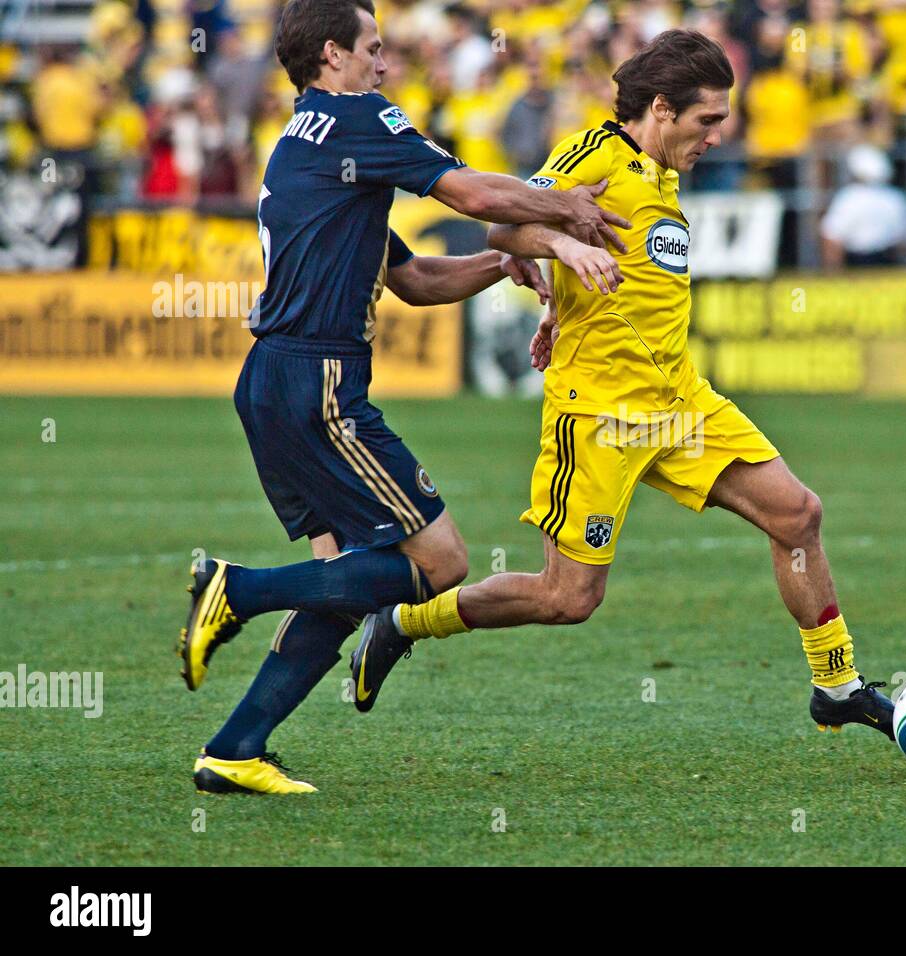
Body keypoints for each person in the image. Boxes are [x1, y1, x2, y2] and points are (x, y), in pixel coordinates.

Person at [351, 30, 898, 747]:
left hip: (680, 402)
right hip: (601, 413)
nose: (718, 136)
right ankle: (401, 622)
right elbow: (507, 230)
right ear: (663, 109)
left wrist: (559, 296)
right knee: (566, 599)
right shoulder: (596, 155)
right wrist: (564, 245)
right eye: (708, 121)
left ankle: (837, 687)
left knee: (797, 515)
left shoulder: (664, 174)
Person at [179, 0, 628, 795]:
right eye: (374, 49)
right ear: (333, 56)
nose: (385, 65)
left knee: (349, 581)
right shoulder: (355, 118)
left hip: (272, 383)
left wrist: (502, 267)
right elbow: (476, 197)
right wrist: (567, 210)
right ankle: (238, 588)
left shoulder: (300, 147)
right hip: (319, 383)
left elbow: (414, 280)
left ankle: (234, 749)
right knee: (441, 562)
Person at [821, 144, 906, 267]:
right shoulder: (895, 197)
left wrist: (833, 271)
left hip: (857, 262)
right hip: (888, 262)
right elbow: (905, 240)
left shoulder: (849, 197)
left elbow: (832, 237)